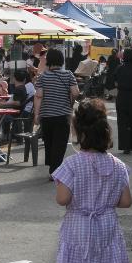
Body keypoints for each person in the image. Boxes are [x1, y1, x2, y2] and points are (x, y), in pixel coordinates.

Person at [53, 99, 132, 263]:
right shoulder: (118, 166)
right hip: (107, 228)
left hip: (78, 228)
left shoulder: (72, 165)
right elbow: (126, 202)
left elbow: (62, 199)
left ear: (78, 131)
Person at [34, 47, 80, 177]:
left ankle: (52, 165)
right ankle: (55, 168)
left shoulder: (43, 76)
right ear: (61, 60)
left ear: (48, 61)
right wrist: (70, 104)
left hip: (46, 115)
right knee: (60, 143)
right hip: (63, 115)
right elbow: (76, 92)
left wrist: (36, 115)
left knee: (49, 142)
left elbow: (38, 96)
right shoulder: (68, 74)